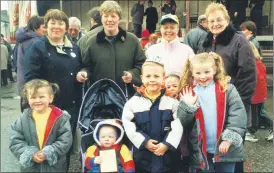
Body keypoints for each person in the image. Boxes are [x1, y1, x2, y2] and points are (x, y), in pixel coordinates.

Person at [24, 9, 82, 171]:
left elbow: (82, 68)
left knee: (65, 148)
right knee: (45, 149)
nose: (57, 26)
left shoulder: (74, 48)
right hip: (46, 109)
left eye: (60, 23)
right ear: (46, 26)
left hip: (70, 108)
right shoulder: (38, 47)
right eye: (52, 23)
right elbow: (31, 80)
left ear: (66, 27)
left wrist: (83, 72)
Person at [198, 5, 256, 164]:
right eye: (211, 21)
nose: (215, 24)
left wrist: (239, 103)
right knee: (211, 151)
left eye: (219, 19)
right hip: (210, 105)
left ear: (227, 20)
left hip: (232, 103)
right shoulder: (206, 41)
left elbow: (248, 75)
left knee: (231, 152)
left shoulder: (239, 41)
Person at [178, 52, 247, 172]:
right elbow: (183, 122)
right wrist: (188, 106)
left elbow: (238, 115)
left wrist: (228, 139)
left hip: (225, 148)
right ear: (192, 73)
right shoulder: (189, 93)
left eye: (206, 72)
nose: (203, 76)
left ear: (214, 70)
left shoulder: (227, 89)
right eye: (198, 73)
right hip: (200, 151)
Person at [122, 61, 183, 172]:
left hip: (168, 158)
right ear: (142, 78)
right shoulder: (133, 103)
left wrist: (167, 144)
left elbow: (178, 126)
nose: (152, 79)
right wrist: (145, 142)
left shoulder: (172, 102)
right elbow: (129, 126)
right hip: (144, 158)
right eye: (148, 76)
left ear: (163, 78)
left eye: (156, 76)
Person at [77, 0, 146, 99]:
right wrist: (83, 73)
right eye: (106, 16)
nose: (109, 20)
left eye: (113, 16)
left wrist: (132, 75)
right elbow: (86, 66)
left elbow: (142, 65)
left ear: (119, 18)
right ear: (101, 18)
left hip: (127, 97)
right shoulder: (92, 42)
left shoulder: (132, 40)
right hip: (99, 98)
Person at [9, 79, 72, 172]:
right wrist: (29, 153)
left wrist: (49, 152)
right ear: (27, 99)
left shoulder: (60, 118)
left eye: (41, 97)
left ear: (51, 98)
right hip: (31, 168)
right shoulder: (23, 119)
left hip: (54, 167)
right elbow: (15, 140)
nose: (37, 100)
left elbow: (65, 140)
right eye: (33, 97)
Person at [14, 15, 46, 112]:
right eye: (44, 27)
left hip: (23, 81)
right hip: (32, 84)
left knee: (26, 113)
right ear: (36, 28)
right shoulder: (35, 42)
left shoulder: (21, 41)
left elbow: (15, 61)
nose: (45, 30)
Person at [246, 42, 273, 142]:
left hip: (254, 95)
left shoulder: (251, 64)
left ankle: (250, 132)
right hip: (259, 94)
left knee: (254, 115)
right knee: (260, 113)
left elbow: (253, 80)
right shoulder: (258, 62)